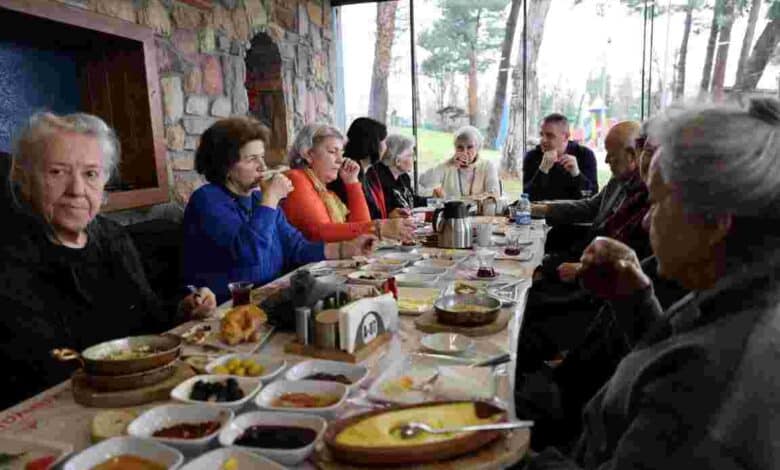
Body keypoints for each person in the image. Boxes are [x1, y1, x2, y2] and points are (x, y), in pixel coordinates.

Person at [525, 97, 780, 469]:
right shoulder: (733, 291)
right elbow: (668, 356)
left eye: (659, 203)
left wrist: (507, 455)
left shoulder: (714, 388)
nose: (646, 222)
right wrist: (635, 301)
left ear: (713, 223)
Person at [0, 112, 214, 409]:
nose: (77, 190)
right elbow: (40, 372)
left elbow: (145, 320)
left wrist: (184, 308)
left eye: (90, 174)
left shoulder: (112, 237)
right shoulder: (11, 257)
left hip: (134, 395)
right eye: (57, 172)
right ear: (25, 181)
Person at [182, 117, 376, 303]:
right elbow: (249, 255)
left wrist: (347, 248)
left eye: (262, 157)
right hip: (228, 307)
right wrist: (271, 199)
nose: (263, 166)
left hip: (268, 297)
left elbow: (297, 247)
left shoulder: (257, 198)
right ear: (226, 166)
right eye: (251, 159)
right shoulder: (207, 200)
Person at [282, 124, 414, 243]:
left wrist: (352, 183)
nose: (340, 160)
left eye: (341, 153)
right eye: (332, 152)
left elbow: (363, 229)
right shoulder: (296, 179)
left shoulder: (325, 190)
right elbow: (319, 233)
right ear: (308, 154)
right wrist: (379, 227)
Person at [523, 113, 598, 201]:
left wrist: (577, 174)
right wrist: (542, 170)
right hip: (541, 213)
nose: (543, 140)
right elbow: (525, 198)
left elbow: (592, 198)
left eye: (550, 135)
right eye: (541, 135)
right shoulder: (532, 156)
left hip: (573, 213)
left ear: (566, 137)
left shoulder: (585, 155)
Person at [328, 117, 389, 219]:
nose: (386, 147)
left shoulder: (370, 170)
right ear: (373, 143)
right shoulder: (349, 169)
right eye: (384, 141)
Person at [419, 126, 500, 199]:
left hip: (479, 213)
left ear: (477, 148)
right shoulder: (448, 166)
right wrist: (449, 164)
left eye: (470, 147)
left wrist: (467, 200)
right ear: (455, 148)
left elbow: (493, 193)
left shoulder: (487, 166)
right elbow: (424, 182)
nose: (465, 152)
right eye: (460, 147)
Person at [365, 134, 427, 217]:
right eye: (410, 155)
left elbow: (412, 200)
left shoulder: (403, 177)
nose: (414, 159)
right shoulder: (377, 179)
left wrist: (436, 201)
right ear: (397, 161)